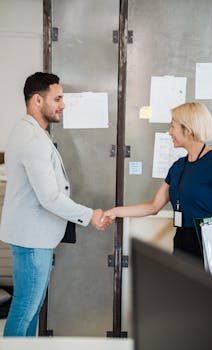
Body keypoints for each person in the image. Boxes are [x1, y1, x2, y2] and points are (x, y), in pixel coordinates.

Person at [0, 72, 112, 336]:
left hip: (30, 236)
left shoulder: (29, 131)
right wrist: (90, 216)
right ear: (38, 100)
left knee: (31, 308)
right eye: (58, 98)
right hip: (32, 240)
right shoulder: (32, 139)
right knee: (25, 308)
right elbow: (49, 197)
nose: (63, 104)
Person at [103, 102, 212, 275]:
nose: (169, 132)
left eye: (173, 126)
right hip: (181, 241)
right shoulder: (178, 166)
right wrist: (115, 211)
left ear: (189, 129)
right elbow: (153, 206)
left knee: (203, 301)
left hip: (209, 246)